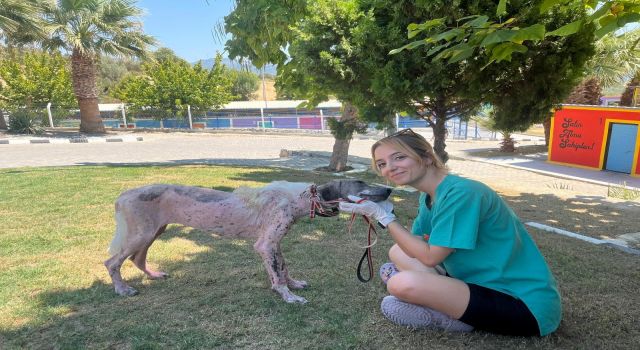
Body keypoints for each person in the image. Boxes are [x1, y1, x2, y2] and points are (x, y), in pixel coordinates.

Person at [339, 128, 561, 336]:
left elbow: (429, 257)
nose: (389, 167)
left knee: (399, 284)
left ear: (426, 157)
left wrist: (386, 218)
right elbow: (414, 245)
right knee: (397, 252)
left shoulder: (462, 193)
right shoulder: (430, 195)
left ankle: (453, 316)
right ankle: (434, 295)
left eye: (399, 157)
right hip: (473, 282)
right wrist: (385, 212)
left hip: (522, 305)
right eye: (382, 164)